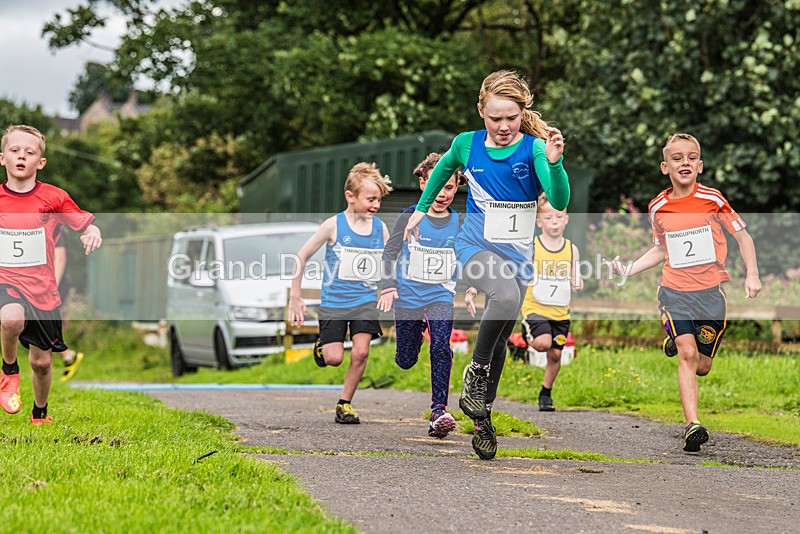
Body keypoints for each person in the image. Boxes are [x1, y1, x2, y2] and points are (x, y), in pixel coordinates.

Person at [404, 70, 569, 460]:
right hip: (474, 246)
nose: (504, 126)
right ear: (481, 111)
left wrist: (556, 164)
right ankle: (474, 375)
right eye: (495, 118)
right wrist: (421, 210)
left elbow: (558, 201)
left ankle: (483, 418)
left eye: (511, 117)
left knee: (497, 342)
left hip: (518, 258)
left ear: (521, 113)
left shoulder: (532, 149)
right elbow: (443, 170)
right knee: (505, 295)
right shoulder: (466, 144)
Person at [610, 133, 761, 452]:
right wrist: (628, 269)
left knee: (702, 365)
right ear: (665, 167)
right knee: (687, 354)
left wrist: (752, 275)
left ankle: (676, 339)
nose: (685, 163)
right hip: (674, 292)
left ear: (701, 165)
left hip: (710, 294)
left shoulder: (714, 200)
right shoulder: (658, 207)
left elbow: (743, 238)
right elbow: (661, 250)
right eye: (677, 158)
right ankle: (693, 424)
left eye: (692, 157)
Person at [0, 125, 102, 425]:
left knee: (42, 362)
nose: (22, 156)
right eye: (15, 151)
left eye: (29, 152)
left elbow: (86, 223)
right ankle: (8, 372)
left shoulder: (54, 198)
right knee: (11, 318)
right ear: (2, 157)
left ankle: (40, 414)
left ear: (40, 162)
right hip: (6, 281)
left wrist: (92, 234)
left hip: (42, 290)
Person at [288, 162, 391, 425]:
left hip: (365, 301)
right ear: (350, 196)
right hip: (335, 302)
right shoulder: (333, 225)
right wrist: (295, 296)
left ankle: (345, 404)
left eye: (378, 199)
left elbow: (392, 260)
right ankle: (323, 346)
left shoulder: (380, 228)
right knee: (334, 359)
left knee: (361, 353)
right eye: (370, 199)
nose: (375, 205)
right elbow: (302, 256)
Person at [378, 153, 465, 439]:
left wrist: (474, 284)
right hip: (408, 298)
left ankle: (439, 410)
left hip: (440, 295)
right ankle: (412, 339)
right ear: (423, 182)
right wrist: (388, 286)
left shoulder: (458, 222)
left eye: (449, 187)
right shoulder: (409, 216)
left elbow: (465, 257)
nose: (442, 194)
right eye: (436, 185)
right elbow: (390, 253)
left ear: (457, 186)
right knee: (405, 359)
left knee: (441, 345)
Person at [520, 192, 583, 412]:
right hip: (535, 307)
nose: (554, 222)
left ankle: (545, 392)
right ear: (538, 222)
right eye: (548, 218)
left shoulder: (571, 249)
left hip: (560, 311)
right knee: (543, 344)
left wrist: (577, 282)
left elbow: (576, 276)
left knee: (555, 354)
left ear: (566, 219)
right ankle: (525, 335)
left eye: (558, 217)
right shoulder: (533, 246)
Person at [54, 230, 84, 381]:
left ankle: (68, 355)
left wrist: (53, 287)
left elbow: (60, 258)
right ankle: (67, 355)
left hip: (56, 284)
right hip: (45, 284)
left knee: (41, 322)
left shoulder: (56, 228)